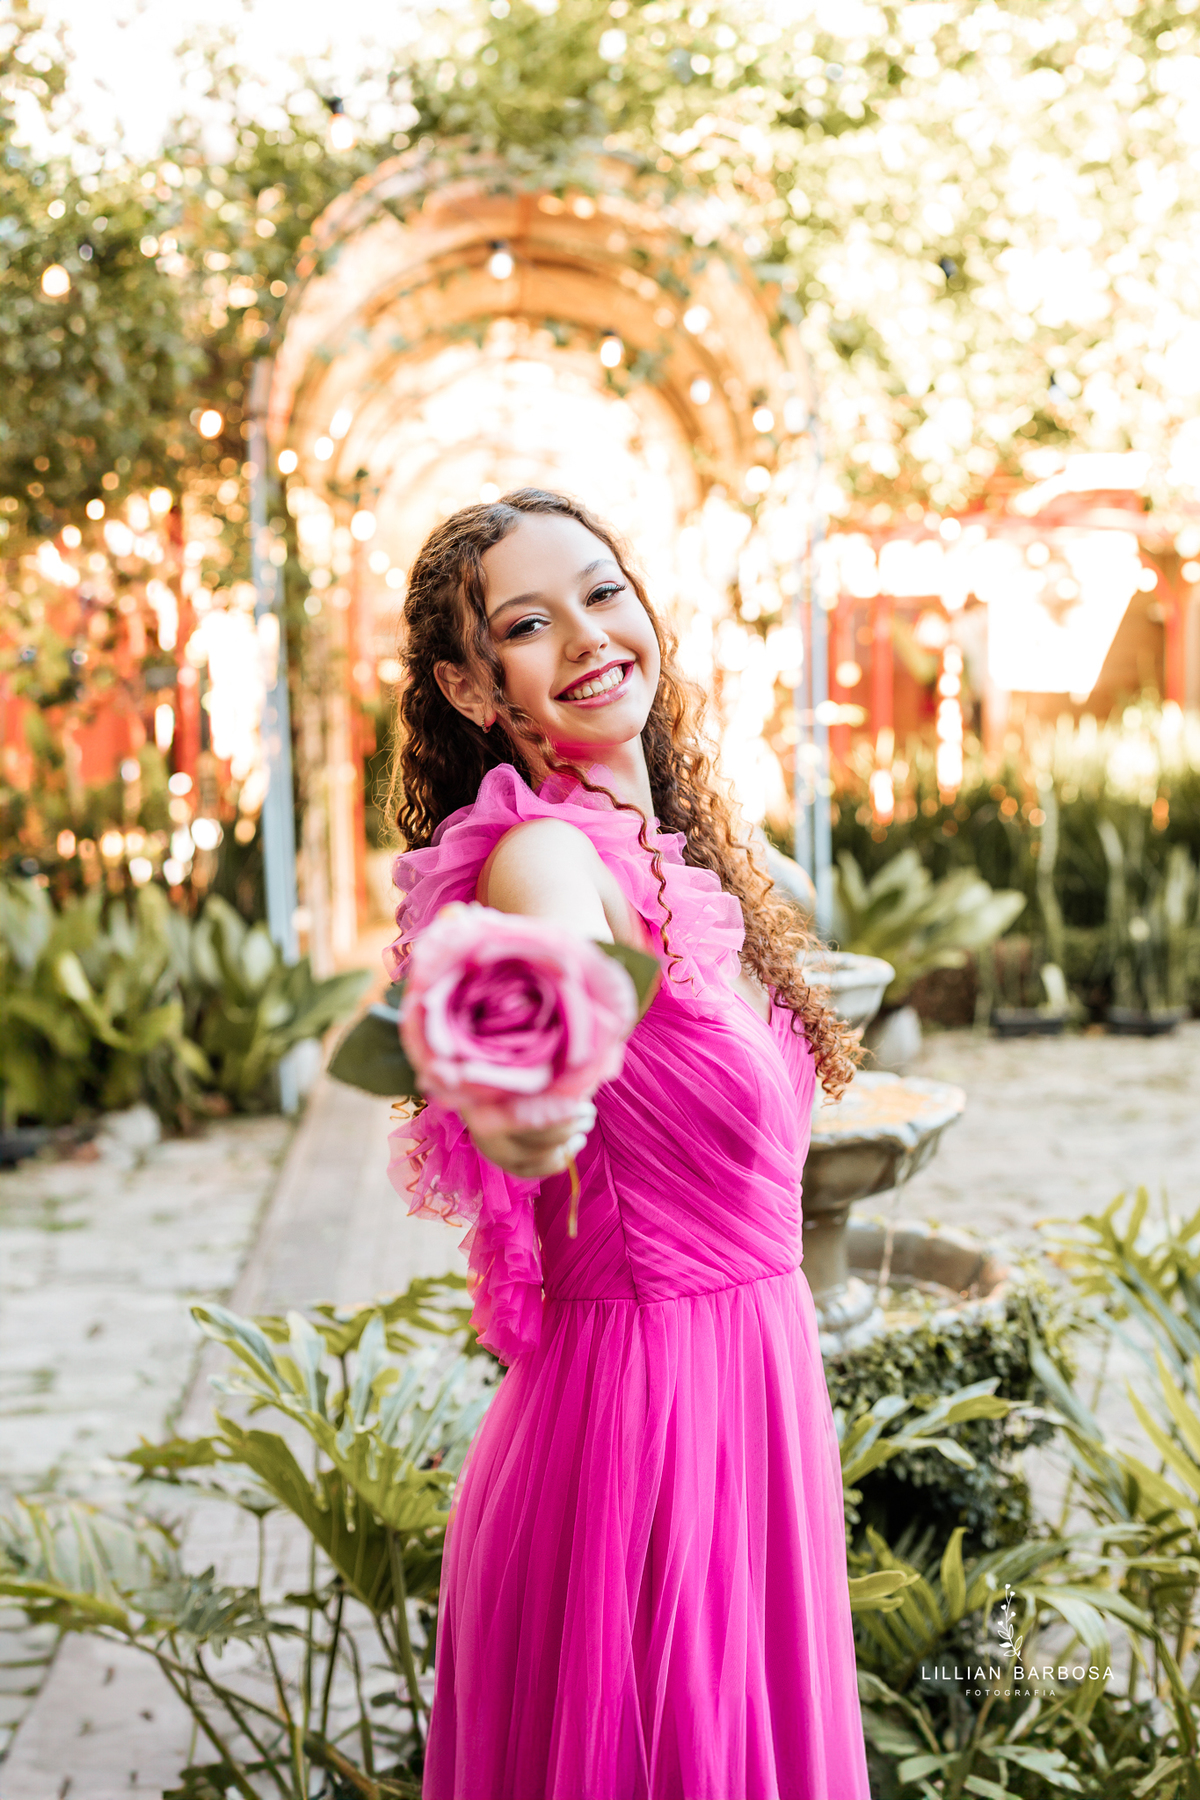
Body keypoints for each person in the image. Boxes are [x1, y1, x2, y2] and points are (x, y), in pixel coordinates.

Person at [385, 488, 871, 1800]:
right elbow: (533, 981)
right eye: (529, 623)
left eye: (605, 591)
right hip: (642, 1437)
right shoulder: (545, 855)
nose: (591, 634)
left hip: (751, 1404)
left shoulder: (677, 857)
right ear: (472, 691)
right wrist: (526, 1105)